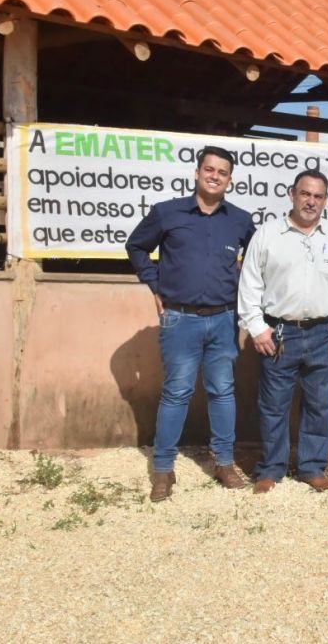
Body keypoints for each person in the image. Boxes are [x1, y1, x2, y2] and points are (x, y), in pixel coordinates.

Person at [126, 145, 255, 502]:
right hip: (179, 319)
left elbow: (260, 258)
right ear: (197, 173)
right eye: (209, 170)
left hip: (225, 319)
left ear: (230, 179)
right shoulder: (167, 213)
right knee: (177, 392)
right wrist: (154, 284)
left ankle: (224, 463)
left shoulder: (240, 220)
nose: (215, 176)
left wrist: (246, 283)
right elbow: (136, 246)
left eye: (222, 172)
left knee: (223, 391)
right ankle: (164, 469)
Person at [237, 170, 328, 494]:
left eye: (318, 196)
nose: (311, 201)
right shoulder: (267, 235)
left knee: (320, 405)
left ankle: (311, 467)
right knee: (273, 405)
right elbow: (249, 284)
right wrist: (257, 329)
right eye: (305, 194)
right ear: (292, 194)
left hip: (324, 333)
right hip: (279, 334)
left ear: (325, 200)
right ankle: (271, 469)